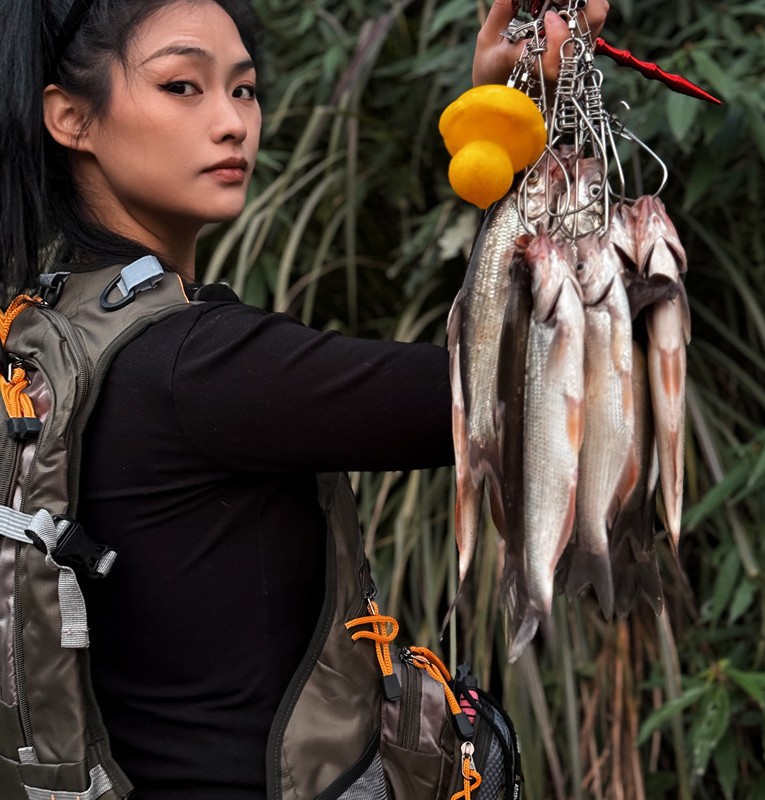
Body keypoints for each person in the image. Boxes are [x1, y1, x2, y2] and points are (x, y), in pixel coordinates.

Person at [0, 1, 608, 798]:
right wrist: (537, 128)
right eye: (183, 86)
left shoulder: (44, 329)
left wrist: (511, 119)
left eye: (244, 90)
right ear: (71, 118)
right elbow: (525, 397)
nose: (232, 123)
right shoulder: (202, 366)